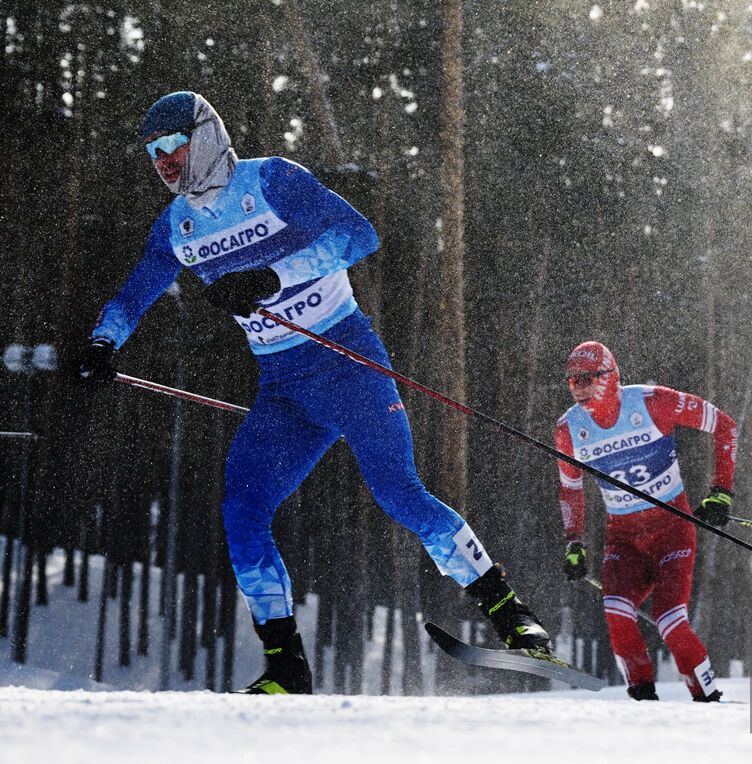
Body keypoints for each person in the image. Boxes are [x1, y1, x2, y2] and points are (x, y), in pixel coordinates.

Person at [76, 91, 549, 694]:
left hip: (348, 362)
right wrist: (101, 344)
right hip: (283, 391)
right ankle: (287, 666)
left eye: (174, 146)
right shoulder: (177, 227)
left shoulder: (271, 180)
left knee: (400, 494)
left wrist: (274, 275)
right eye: (154, 154)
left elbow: (359, 236)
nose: (165, 162)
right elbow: (131, 296)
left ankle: (514, 618)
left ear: (208, 135)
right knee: (242, 510)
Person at [553, 341, 737, 702]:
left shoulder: (653, 402)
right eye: (572, 383)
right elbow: (570, 489)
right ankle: (641, 701)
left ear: (609, 377)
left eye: (587, 380)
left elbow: (725, 426)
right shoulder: (567, 429)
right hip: (623, 537)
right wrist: (574, 541)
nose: (580, 390)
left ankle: (707, 697)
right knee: (616, 612)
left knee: (670, 620)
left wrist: (721, 492)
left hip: (671, 530)